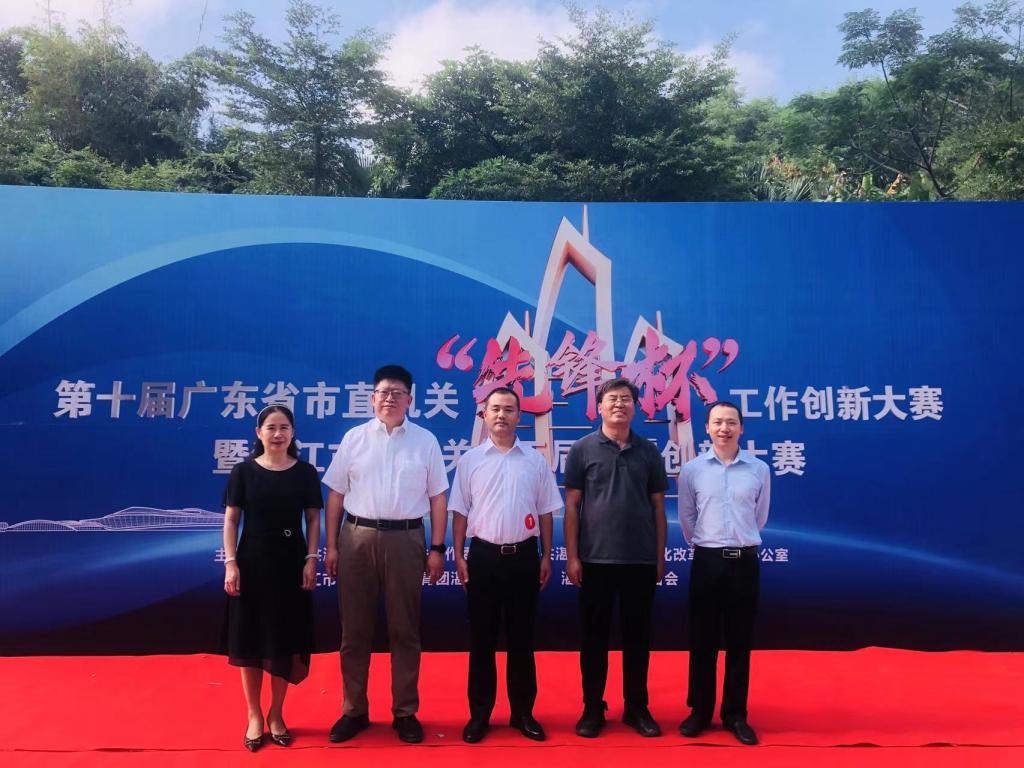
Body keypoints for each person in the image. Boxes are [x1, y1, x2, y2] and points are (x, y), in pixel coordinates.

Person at [323, 364, 449, 744]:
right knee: (354, 630)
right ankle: (354, 710)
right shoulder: (355, 439)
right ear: (372, 398)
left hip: (406, 539)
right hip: (356, 537)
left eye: (398, 392)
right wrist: (332, 546)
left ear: (410, 399)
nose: (390, 398)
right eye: (383, 392)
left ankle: (405, 712)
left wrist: (437, 548)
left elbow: (438, 498)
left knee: (404, 630)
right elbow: (336, 496)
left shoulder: (425, 441)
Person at [449, 387, 562, 744]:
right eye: (495, 409)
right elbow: (459, 511)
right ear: (484, 414)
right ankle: (479, 715)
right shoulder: (470, 460)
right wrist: (459, 555)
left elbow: (546, 511)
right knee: (481, 639)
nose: (501, 415)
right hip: (483, 557)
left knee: (522, 639)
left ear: (519, 416)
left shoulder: (535, 461)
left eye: (509, 409)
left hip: (524, 557)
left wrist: (546, 554)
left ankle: (523, 713)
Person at [564, 377, 668, 738]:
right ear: (599, 407)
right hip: (595, 561)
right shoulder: (582, 449)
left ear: (635, 407)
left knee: (638, 638)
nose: (619, 405)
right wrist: (573, 557)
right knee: (593, 639)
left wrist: (659, 557)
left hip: (640, 560)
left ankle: (637, 708)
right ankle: (593, 707)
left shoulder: (648, 451)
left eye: (626, 399)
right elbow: (572, 505)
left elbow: (658, 508)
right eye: (612, 399)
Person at [222, 404, 323, 752]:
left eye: (284, 428)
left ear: (293, 433)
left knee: (284, 639)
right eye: (271, 427)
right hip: (252, 563)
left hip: (291, 563)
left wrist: (311, 558)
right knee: (248, 640)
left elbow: (313, 519)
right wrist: (231, 563)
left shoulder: (305, 473)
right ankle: (253, 715)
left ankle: (276, 713)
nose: (278, 434)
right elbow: (231, 520)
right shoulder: (243, 472)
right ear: (259, 433)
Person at [677, 400, 771, 746]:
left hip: (744, 562)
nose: (724, 428)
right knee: (702, 639)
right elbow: (687, 517)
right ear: (707, 428)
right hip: (707, 561)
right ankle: (700, 710)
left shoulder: (758, 469)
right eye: (717, 422)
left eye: (731, 422)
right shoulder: (692, 470)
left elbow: (759, 516)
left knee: (739, 640)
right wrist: (709, 544)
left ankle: (735, 714)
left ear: (741, 428)